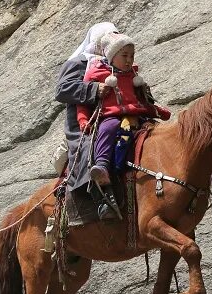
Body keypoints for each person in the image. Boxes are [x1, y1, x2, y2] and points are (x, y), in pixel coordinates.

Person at [77, 33, 171, 220]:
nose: (129, 60)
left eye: (132, 56)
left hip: (136, 116)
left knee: (159, 133)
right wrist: (83, 120)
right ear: (112, 56)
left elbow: (143, 101)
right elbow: (82, 103)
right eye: (124, 56)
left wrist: (154, 110)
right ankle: (102, 166)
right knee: (108, 128)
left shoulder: (134, 77)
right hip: (111, 116)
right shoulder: (98, 76)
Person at [55, 22, 118, 192]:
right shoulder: (78, 62)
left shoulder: (116, 63)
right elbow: (62, 89)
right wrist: (95, 89)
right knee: (89, 147)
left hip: (116, 115)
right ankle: (91, 196)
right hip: (84, 121)